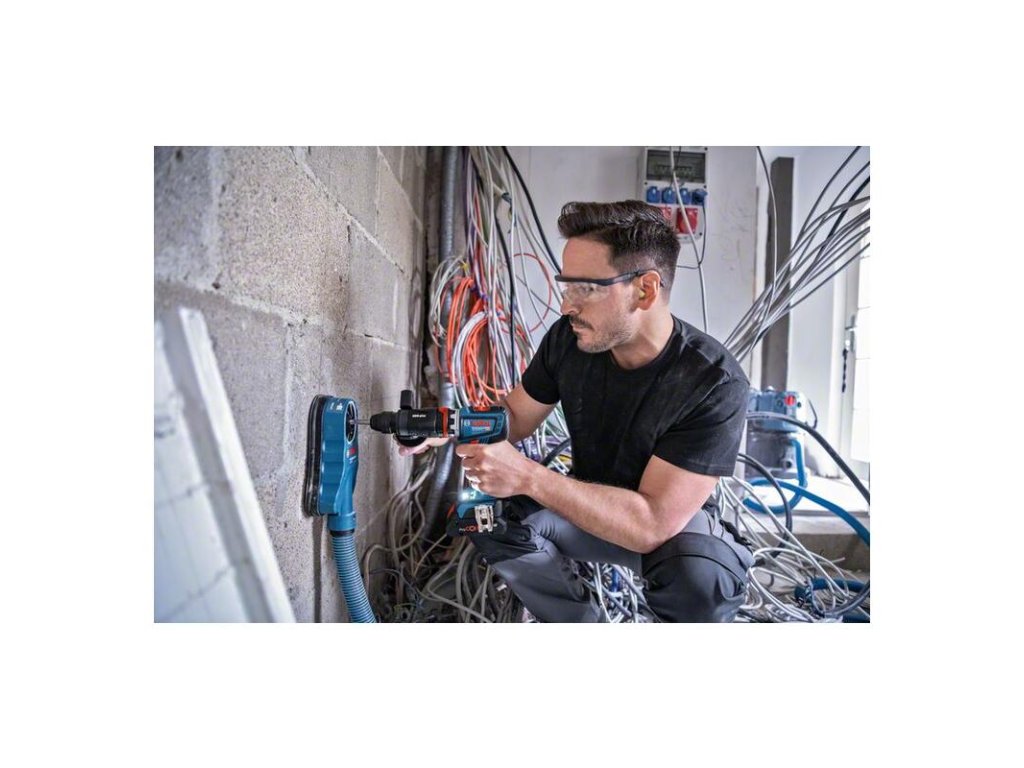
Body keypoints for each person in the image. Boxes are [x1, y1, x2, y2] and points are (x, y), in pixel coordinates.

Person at [401, 200, 753, 622]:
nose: (567, 306)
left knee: (703, 579)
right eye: (567, 287)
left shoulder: (714, 382)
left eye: (585, 289)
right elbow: (515, 416)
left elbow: (651, 524)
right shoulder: (569, 339)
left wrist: (528, 476)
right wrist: (452, 424)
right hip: (580, 509)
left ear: (645, 290)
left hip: (665, 536)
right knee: (481, 516)